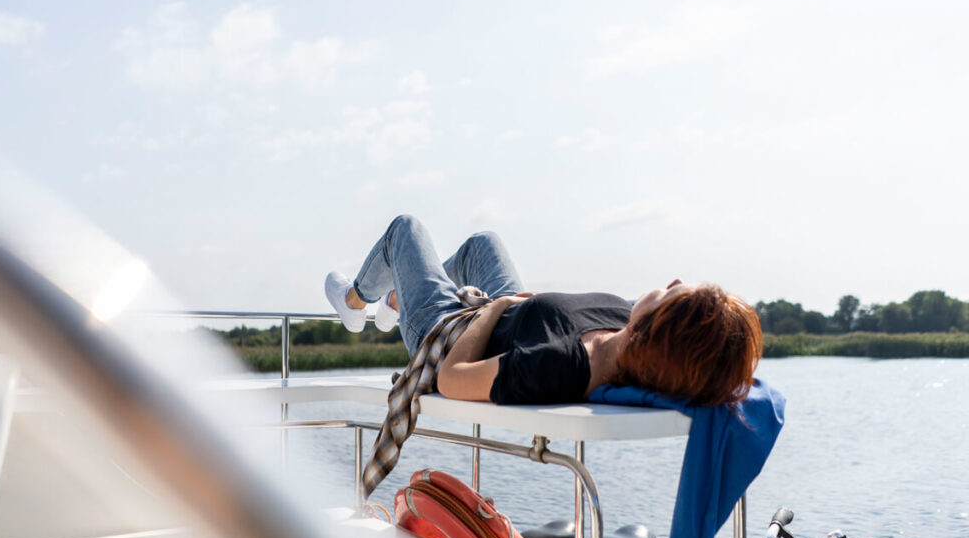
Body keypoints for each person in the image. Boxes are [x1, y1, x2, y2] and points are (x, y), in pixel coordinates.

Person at [325, 215, 762, 407]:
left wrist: (493, 310)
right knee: (482, 244)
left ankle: (355, 302)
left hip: (448, 332)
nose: (670, 282)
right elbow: (715, 355)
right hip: (514, 314)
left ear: (659, 326)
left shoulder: (562, 366)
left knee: (406, 229)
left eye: (673, 294)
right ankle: (401, 297)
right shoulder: (626, 324)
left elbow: (451, 379)